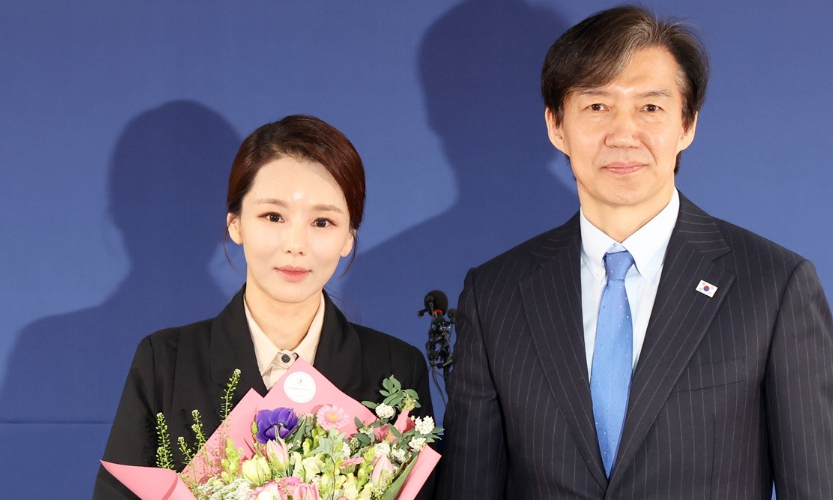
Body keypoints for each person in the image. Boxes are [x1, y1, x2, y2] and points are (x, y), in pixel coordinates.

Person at [435, 5, 833, 499]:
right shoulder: (495, 294)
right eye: (597, 106)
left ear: (687, 124)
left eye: (650, 108)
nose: (623, 135)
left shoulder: (774, 287)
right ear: (556, 126)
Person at [93, 115, 434, 499]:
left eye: (322, 222)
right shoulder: (164, 363)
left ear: (348, 238)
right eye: (273, 216)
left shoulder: (396, 368)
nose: (295, 244)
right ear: (236, 224)